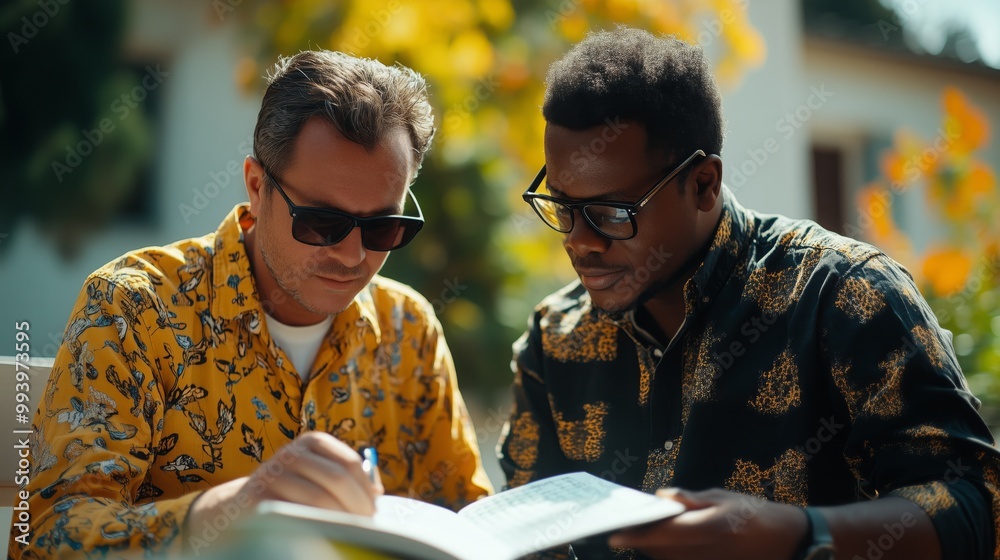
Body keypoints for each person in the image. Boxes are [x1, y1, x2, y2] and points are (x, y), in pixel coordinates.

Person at [499, 27, 999, 560]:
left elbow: (975, 506)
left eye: (609, 213)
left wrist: (800, 535)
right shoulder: (556, 339)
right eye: (561, 206)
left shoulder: (844, 296)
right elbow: (526, 531)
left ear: (703, 184)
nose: (578, 241)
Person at [9, 50, 492, 559]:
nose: (354, 255)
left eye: (383, 228)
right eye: (322, 223)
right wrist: (229, 509)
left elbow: (469, 522)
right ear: (258, 188)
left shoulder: (408, 331)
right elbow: (48, 539)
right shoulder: (135, 310)